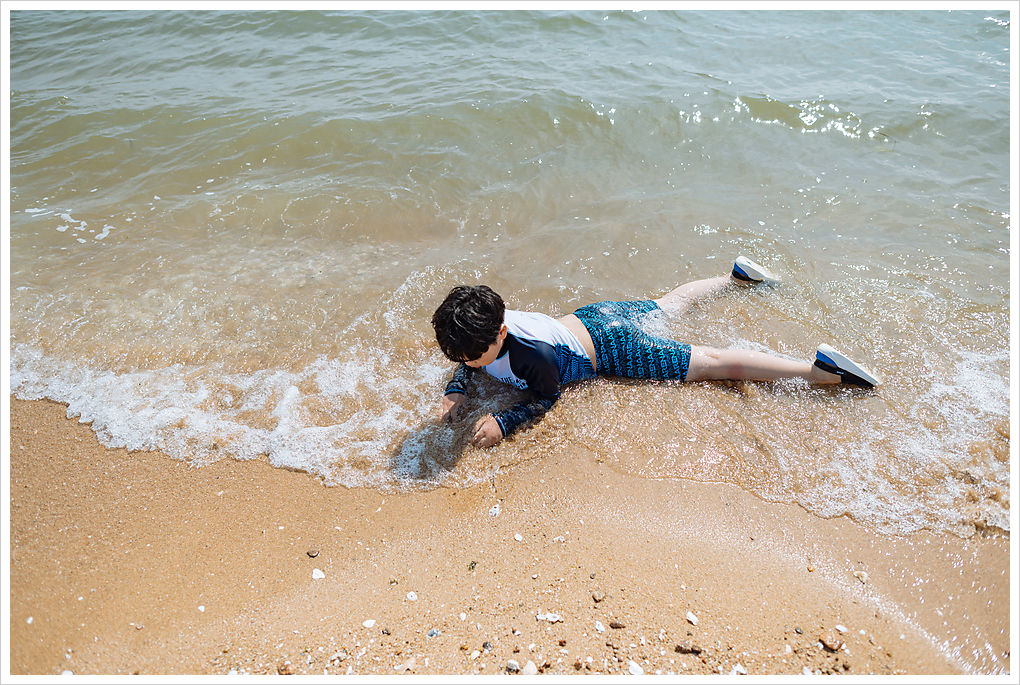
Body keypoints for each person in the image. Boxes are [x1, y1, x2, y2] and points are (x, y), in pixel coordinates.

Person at [431, 256, 879, 448]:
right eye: (460, 357)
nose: (466, 363)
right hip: (594, 316)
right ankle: (736, 278)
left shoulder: (535, 356)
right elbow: (470, 359)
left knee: (712, 365)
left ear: (501, 332)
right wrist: (458, 386)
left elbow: (547, 397)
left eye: (473, 357)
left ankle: (818, 372)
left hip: (613, 348)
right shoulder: (485, 322)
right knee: (668, 305)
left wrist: (505, 422)